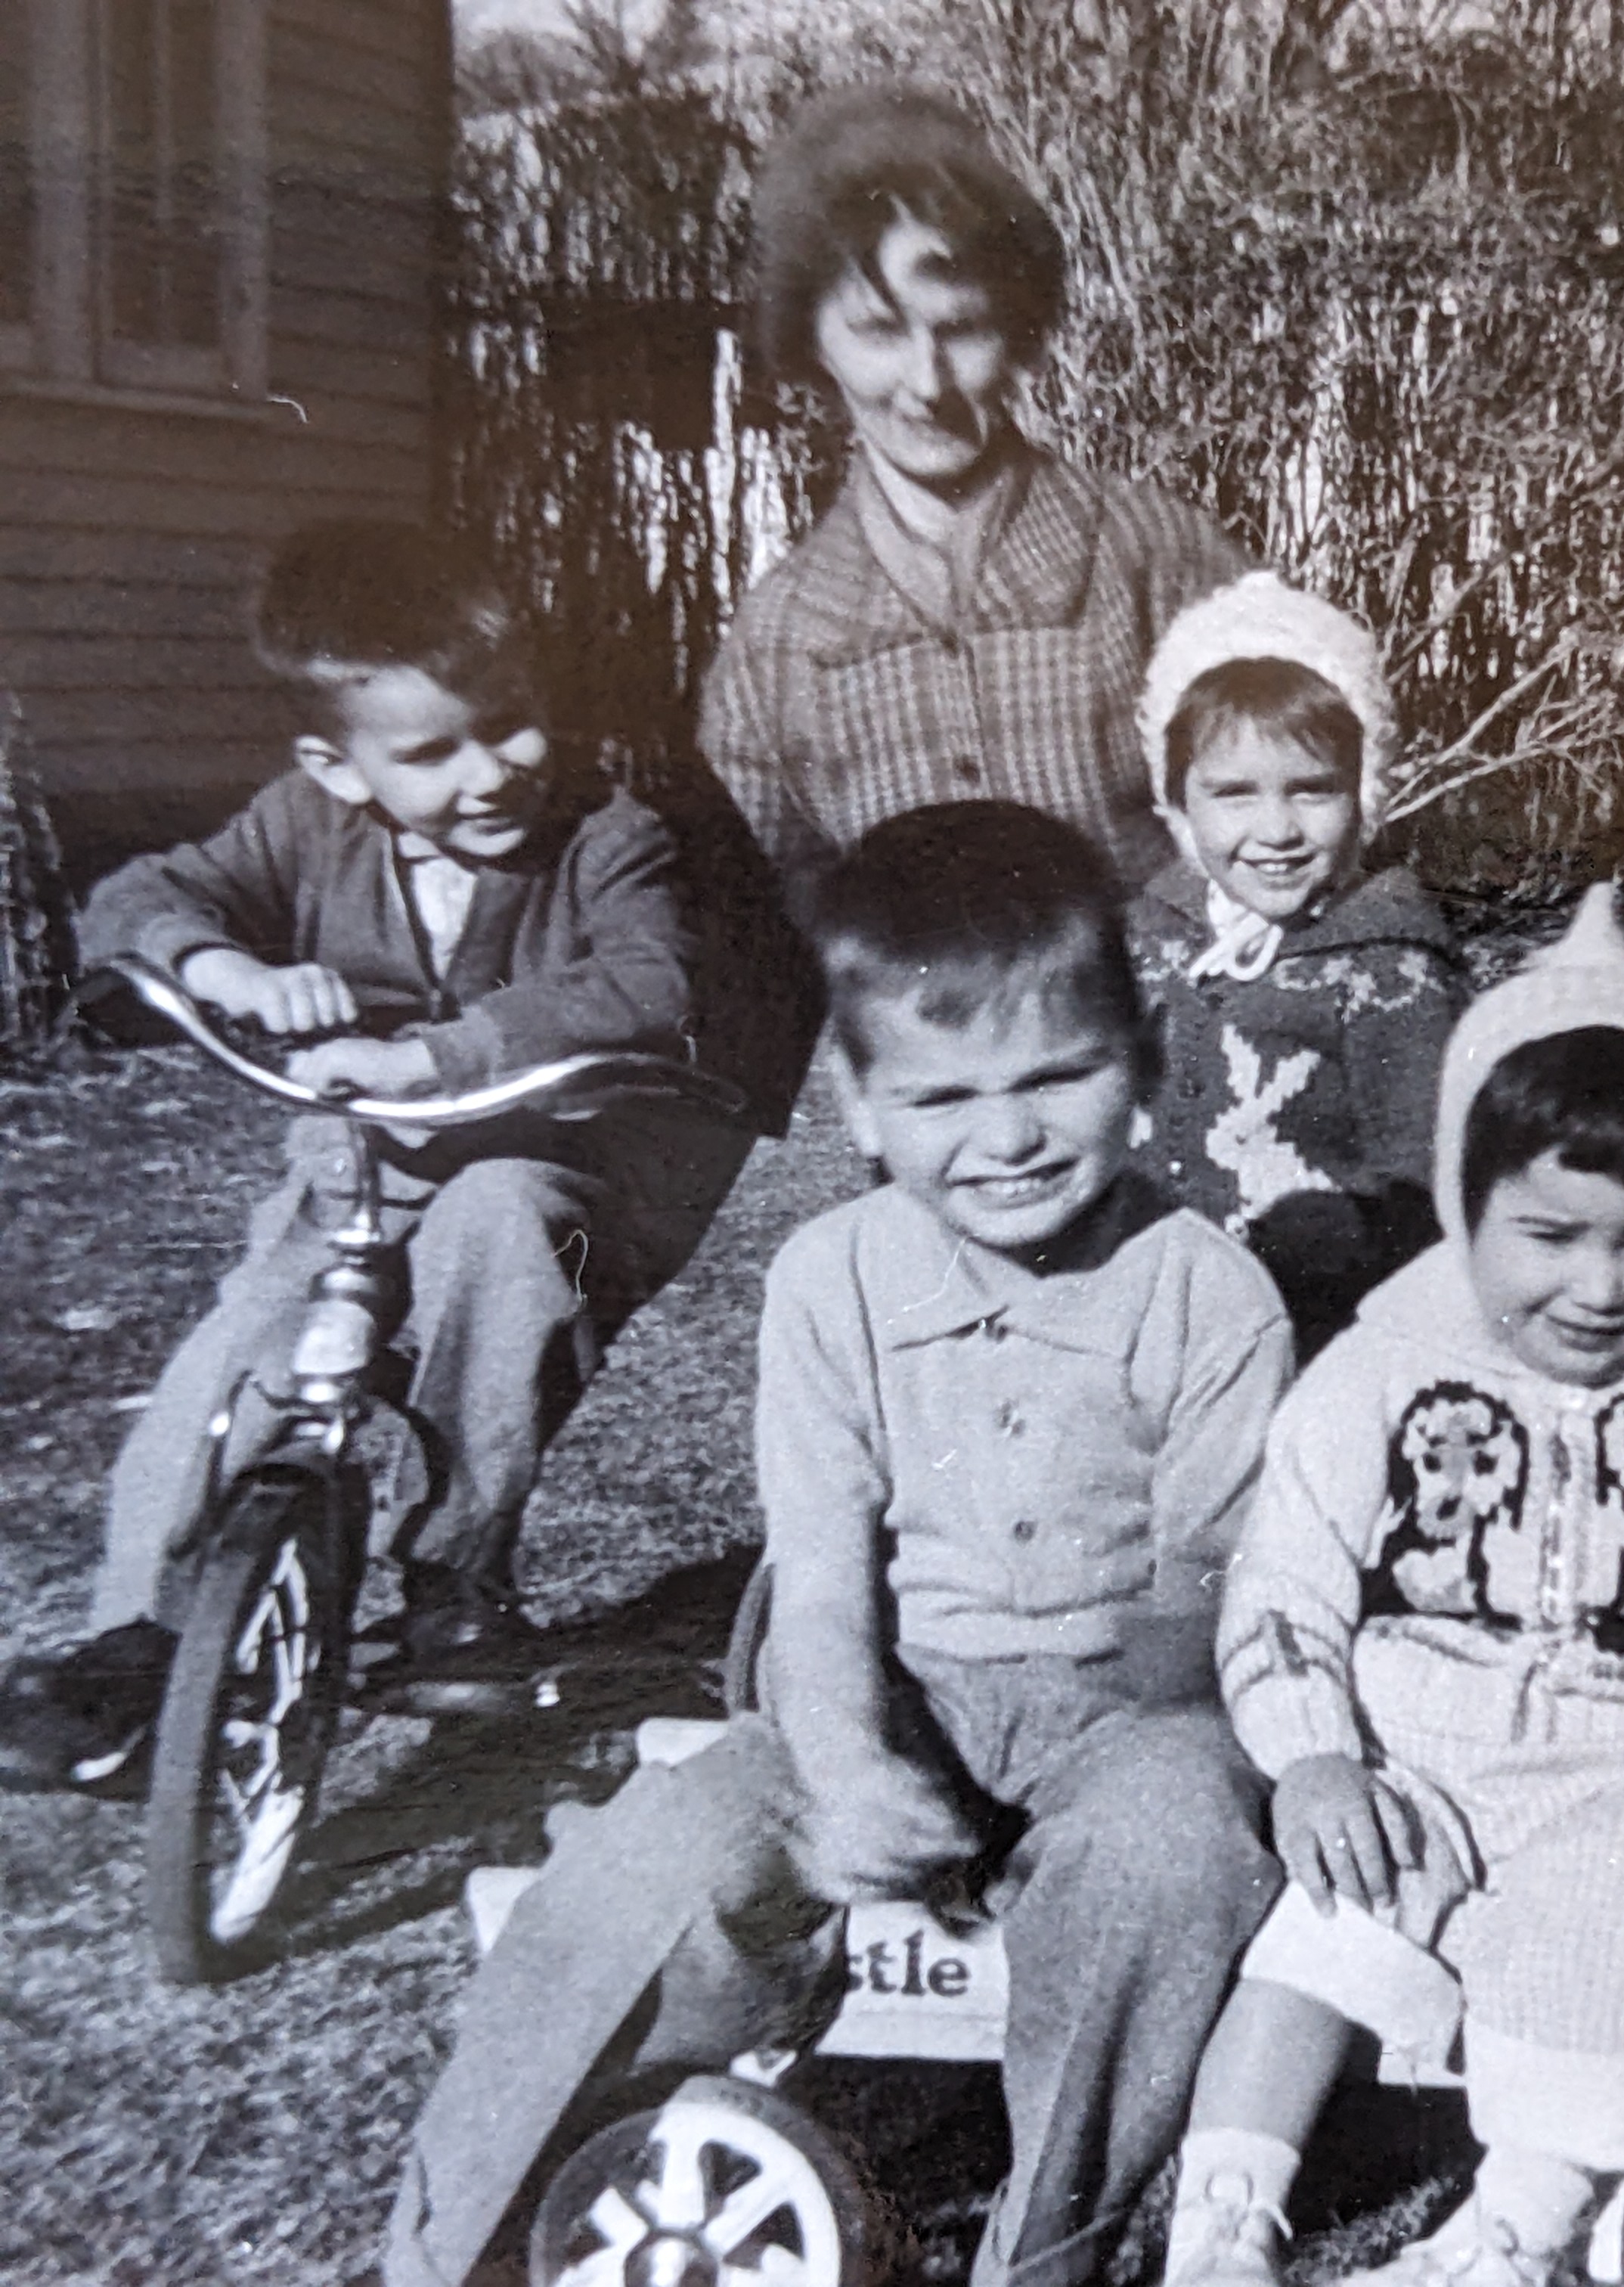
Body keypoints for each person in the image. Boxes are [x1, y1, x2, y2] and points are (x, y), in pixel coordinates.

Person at [383, 802, 1288, 2287]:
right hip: (882, 1683)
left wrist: (1054, 1794)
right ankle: (444, 2248)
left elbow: (1205, 1611)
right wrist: (857, 1767)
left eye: (1060, 1078)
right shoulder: (831, 1282)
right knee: (642, 1867)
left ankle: (1044, 2248)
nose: (1007, 1139)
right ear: (859, 1111)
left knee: (1172, 1851)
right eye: (941, 1101)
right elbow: (817, 1580)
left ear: (1147, 1063)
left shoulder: (1208, 1294)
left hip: (1131, 1716)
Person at [1157, 886, 1624, 2287]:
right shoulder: (1379, 1369)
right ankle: (1223, 2221)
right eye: (1548, 1236)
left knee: (1621, 1937)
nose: (1603, 1288)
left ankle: (1513, 2229)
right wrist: (1315, 1757)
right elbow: (1286, 1577)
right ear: (1459, 1196)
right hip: (1415, 1755)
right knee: (1320, 1930)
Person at [0, 520, 733, 1786]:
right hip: (356, 1178)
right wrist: (227, 965)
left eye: (509, 722)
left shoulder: (607, 832)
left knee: (504, 1235)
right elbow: (136, 897)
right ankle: (141, 1632)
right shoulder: (304, 828)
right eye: (431, 751)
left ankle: (453, 1579)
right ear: (337, 768)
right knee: (237, 1351)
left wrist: (434, 1057)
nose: (492, 770)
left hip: (556, 1177)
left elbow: (646, 979)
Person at [702, 82, 1252, 916]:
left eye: (961, 328)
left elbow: (1297, 820)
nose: (927, 385)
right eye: (879, 333)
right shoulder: (777, 647)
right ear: (813, 342)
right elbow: (768, 934)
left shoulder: (1158, 559)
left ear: (1018, 322)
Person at [1127, 571, 1467, 1346]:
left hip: (1317, 1324)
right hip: (1156, 1314)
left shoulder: (1389, 969)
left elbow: (1423, 1181)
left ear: (1365, 791)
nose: (1276, 830)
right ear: (1179, 804)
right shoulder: (1146, 936)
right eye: (1235, 794)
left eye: (1312, 790)